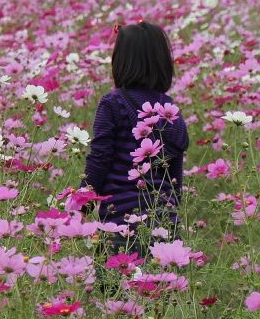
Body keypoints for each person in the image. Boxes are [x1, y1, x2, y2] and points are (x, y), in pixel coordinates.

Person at [81, 21, 189, 255]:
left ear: (121, 61)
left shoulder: (113, 103)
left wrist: (82, 203)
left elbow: (100, 158)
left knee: (114, 288)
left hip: (121, 224)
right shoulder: (171, 111)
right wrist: (172, 213)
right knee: (160, 289)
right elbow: (174, 177)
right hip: (164, 224)